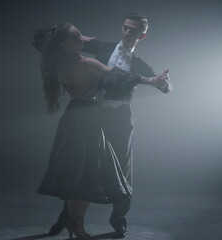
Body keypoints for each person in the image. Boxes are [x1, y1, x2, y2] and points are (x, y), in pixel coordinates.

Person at [33, 22, 170, 240]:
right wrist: (151, 80)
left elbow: (48, 41)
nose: (84, 39)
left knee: (76, 170)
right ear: (65, 44)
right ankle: (76, 225)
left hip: (73, 116)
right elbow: (117, 75)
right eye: (77, 37)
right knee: (88, 172)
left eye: (81, 35)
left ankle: (75, 223)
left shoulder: (59, 61)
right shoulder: (88, 62)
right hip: (89, 119)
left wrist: (76, 39)